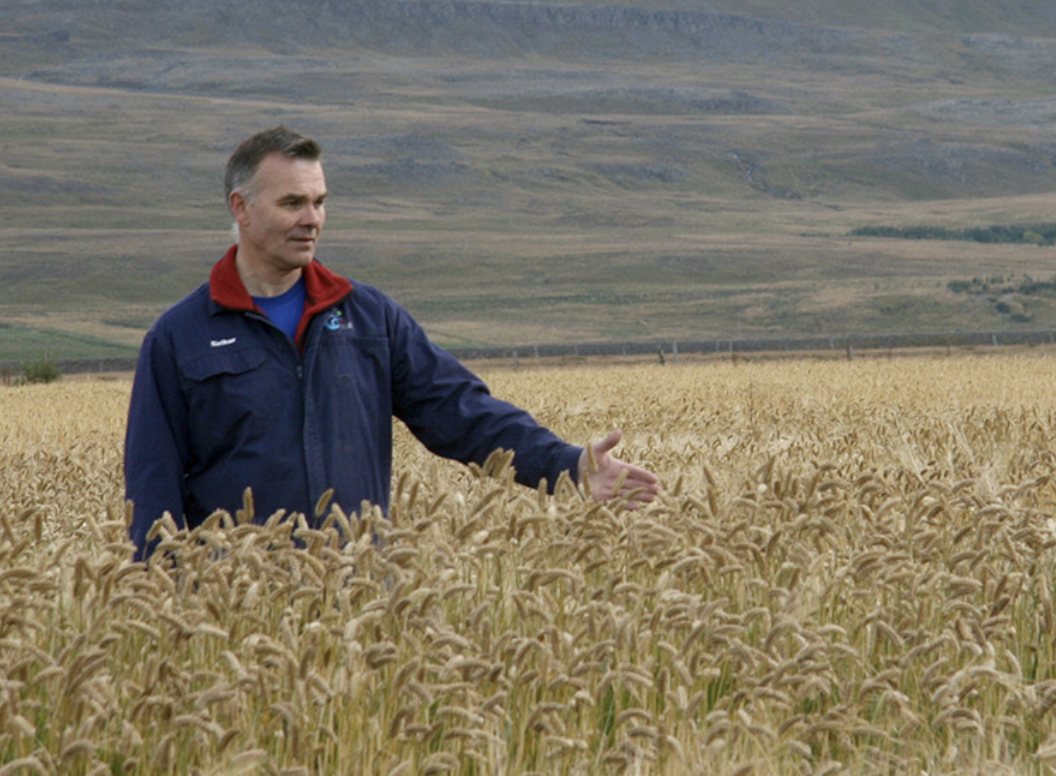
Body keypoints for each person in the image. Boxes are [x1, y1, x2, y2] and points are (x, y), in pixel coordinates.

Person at [124, 126, 659, 558]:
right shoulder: (180, 337)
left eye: (319, 201)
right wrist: (164, 601)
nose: (312, 219)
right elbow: (153, 485)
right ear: (241, 207)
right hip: (232, 607)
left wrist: (565, 465)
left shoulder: (369, 319)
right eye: (293, 203)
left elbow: (462, 412)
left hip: (358, 599)